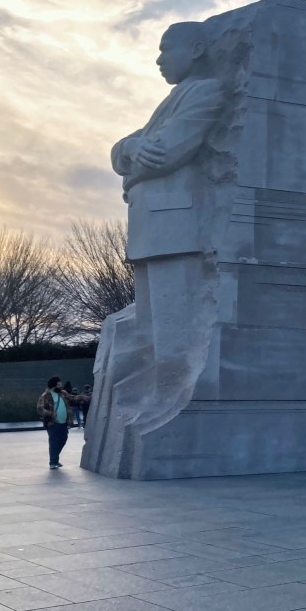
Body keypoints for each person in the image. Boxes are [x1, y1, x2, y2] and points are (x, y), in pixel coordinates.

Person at [110, 22, 225, 403]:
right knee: (151, 328)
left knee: (175, 333)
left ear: (195, 49)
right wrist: (130, 148)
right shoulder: (174, 98)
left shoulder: (207, 90)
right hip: (151, 227)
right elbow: (122, 150)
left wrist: (132, 161)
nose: (159, 60)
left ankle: (169, 403)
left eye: (166, 49)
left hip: (175, 226)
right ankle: (156, 399)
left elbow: (168, 152)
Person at [37, 376, 71, 469]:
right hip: (53, 423)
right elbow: (40, 408)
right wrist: (51, 413)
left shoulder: (63, 393)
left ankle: (55, 459)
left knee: (63, 439)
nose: (61, 386)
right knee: (54, 442)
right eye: (59, 384)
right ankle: (53, 462)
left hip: (64, 423)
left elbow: (72, 398)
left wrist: (84, 398)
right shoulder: (45, 395)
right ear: (54, 386)